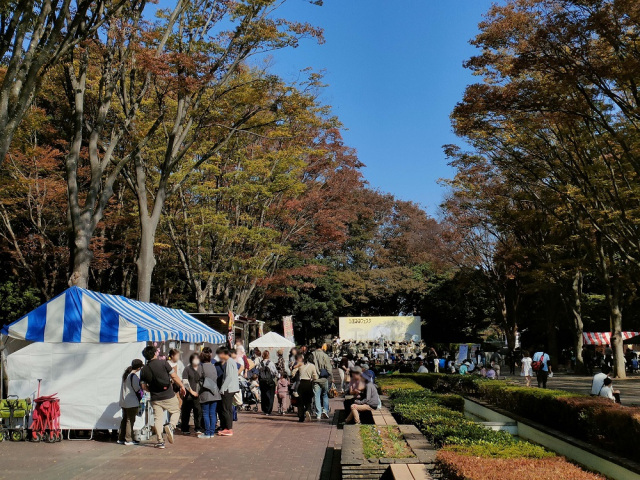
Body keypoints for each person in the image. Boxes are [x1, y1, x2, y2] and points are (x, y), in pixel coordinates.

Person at [140, 346, 187, 449]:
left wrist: (150, 389)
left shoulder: (144, 370)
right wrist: (182, 386)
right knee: (176, 411)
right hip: (168, 394)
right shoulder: (163, 363)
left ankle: (160, 441)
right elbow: (174, 376)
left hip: (155, 397)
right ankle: (171, 425)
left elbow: (143, 386)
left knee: (158, 418)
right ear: (155, 353)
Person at [118, 358, 144, 445]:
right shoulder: (133, 376)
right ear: (138, 368)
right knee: (130, 420)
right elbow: (137, 389)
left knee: (124, 419)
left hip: (123, 401)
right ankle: (128, 439)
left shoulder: (126, 375)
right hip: (131, 402)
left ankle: (121, 438)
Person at [198, 347, 221, 439]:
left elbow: (198, 379)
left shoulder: (201, 367)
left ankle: (207, 432)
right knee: (213, 413)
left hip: (205, 393)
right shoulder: (214, 366)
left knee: (206, 413)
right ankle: (211, 432)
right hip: (215, 392)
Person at [218, 347, 239, 436]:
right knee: (228, 409)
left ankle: (228, 428)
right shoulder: (232, 362)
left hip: (228, 389)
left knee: (225, 408)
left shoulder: (229, 362)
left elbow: (229, 377)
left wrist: (223, 388)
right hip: (232, 388)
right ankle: (228, 427)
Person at [291, 353, 318, 422]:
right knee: (308, 400)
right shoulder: (312, 366)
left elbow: (293, 373)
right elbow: (315, 376)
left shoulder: (300, 364)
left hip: (301, 383)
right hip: (308, 384)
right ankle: (308, 410)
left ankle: (301, 416)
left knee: (300, 401)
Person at [181, 353, 203, 435]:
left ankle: (198, 427)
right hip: (188, 395)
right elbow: (185, 381)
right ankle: (185, 428)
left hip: (198, 395)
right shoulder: (187, 369)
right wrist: (191, 391)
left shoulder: (201, 368)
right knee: (186, 412)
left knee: (198, 412)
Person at [258, 350, 278, 415]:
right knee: (270, 396)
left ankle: (264, 409)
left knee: (263, 395)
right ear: (268, 355)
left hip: (262, 382)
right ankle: (269, 410)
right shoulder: (271, 363)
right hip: (270, 381)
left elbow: (258, 371)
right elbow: (275, 372)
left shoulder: (260, 363)